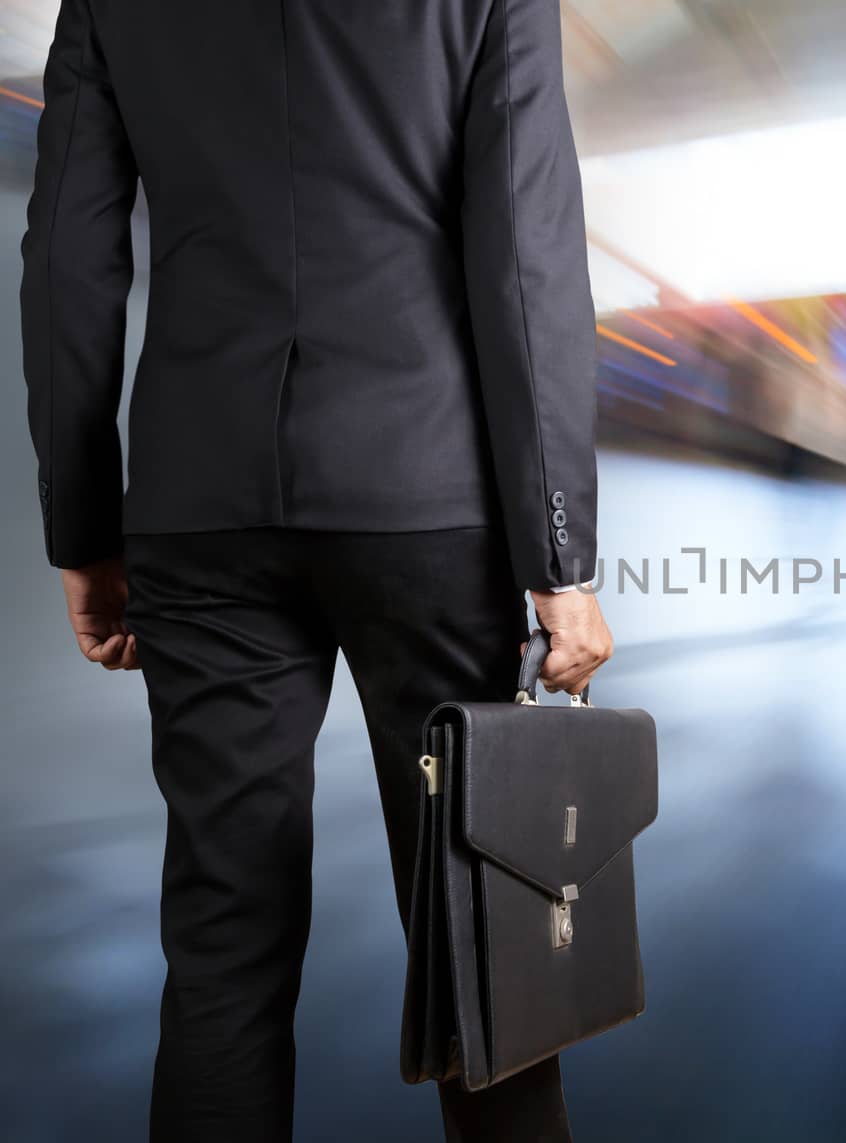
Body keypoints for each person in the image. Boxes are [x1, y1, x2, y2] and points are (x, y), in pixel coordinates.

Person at [20, 2, 612, 1140]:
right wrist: (559, 558)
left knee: (219, 953)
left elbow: (66, 263)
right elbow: (527, 258)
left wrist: (85, 530)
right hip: (425, 501)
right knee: (483, 942)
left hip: (202, 505)